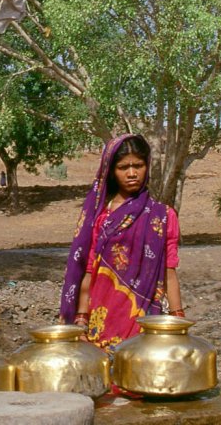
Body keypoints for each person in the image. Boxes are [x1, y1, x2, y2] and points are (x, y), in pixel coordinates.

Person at [60, 134, 184, 353]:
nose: (132, 173)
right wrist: (81, 319)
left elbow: (169, 272)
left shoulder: (163, 216)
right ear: (111, 171)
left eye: (138, 165)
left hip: (144, 318)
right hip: (102, 314)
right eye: (123, 167)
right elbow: (90, 271)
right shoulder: (102, 217)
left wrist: (178, 321)